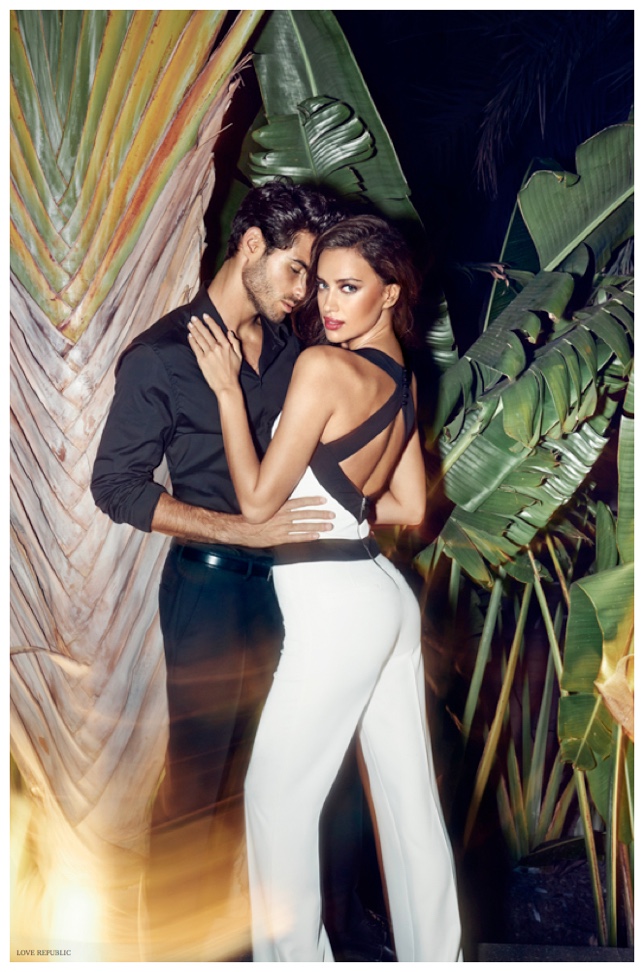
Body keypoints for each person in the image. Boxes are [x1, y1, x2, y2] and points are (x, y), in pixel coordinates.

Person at [91, 181, 391, 959]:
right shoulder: (161, 357)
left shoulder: (295, 354)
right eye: (297, 271)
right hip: (211, 589)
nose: (304, 294)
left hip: (295, 593)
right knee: (197, 788)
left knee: (280, 782)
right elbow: (116, 486)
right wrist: (238, 528)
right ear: (251, 244)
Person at [187, 214, 463, 961]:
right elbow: (408, 506)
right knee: (409, 805)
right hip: (379, 595)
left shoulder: (322, 367)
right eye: (322, 286)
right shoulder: (401, 380)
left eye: (349, 287)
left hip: (337, 608)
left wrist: (226, 392)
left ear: (390, 292)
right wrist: (342, 509)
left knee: (275, 799)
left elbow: (256, 504)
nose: (328, 304)